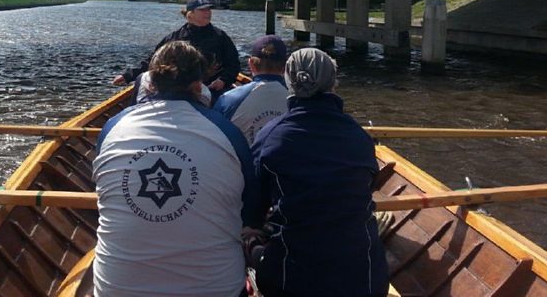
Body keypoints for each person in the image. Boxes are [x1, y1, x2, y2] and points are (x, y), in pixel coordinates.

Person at [93, 41, 259, 296]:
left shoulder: (112, 127)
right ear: (198, 85)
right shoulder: (227, 132)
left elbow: (103, 194)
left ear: (150, 82)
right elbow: (251, 212)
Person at [250, 47, 389, 297]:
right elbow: (363, 186)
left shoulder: (271, 137)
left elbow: (253, 209)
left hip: (293, 282)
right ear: (333, 83)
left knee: (249, 241)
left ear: (288, 81)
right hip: (366, 281)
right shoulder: (359, 137)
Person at [112, 0, 240, 100]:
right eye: (203, 10)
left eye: (209, 9)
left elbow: (233, 64)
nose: (208, 13)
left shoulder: (220, 37)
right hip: (178, 90)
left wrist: (223, 80)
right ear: (190, 14)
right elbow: (153, 61)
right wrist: (128, 76)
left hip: (212, 89)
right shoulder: (175, 37)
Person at [213, 34, 289, 146]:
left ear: (251, 64)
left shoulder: (227, 99)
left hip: (241, 162)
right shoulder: (297, 100)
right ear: (285, 67)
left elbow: (214, 139)